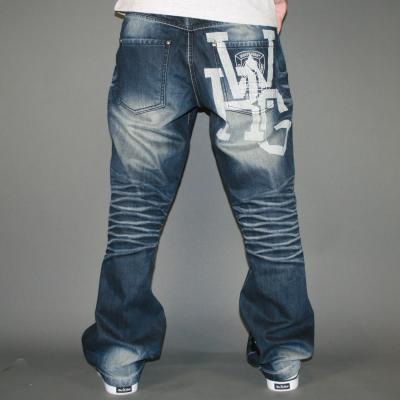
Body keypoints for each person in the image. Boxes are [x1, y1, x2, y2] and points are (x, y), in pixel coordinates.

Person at [81, 0, 315, 395]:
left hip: (150, 23)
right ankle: (283, 356)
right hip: (242, 24)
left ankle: (121, 358)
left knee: (136, 207)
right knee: (267, 209)